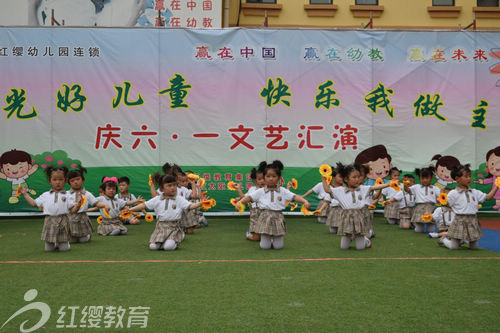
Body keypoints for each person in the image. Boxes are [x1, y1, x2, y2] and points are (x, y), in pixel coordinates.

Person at [235, 160, 310, 250]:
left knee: (279, 247)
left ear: (279, 178)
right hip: (264, 217)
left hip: (278, 217)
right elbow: (249, 198)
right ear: (264, 177)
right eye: (268, 176)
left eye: (274, 176)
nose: (271, 179)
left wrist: (305, 201)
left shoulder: (282, 191)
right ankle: (265, 239)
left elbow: (294, 197)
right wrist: (239, 203)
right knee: (264, 246)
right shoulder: (260, 191)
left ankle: (274, 240)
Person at [322, 163, 392, 250]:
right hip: (346, 216)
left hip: (359, 216)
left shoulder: (363, 188)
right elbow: (327, 190)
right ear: (346, 179)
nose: (357, 179)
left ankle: (366, 241)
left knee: (360, 247)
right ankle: (351, 237)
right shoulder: (339, 190)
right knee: (343, 247)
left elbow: (375, 187)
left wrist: (389, 184)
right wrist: (324, 178)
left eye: (358, 177)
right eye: (354, 177)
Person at [128, 174, 204, 251]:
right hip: (160, 227)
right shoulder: (158, 199)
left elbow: (190, 206)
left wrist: (201, 203)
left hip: (174, 226)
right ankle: (164, 241)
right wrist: (130, 210)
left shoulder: (179, 199)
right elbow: (144, 205)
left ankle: (176, 241)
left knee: (168, 247)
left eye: (174, 185)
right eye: (169, 185)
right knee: (153, 247)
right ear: (161, 188)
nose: (173, 188)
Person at [442, 164, 499, 250]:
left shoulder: (474, 192)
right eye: (466, 176)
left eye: (469, 176)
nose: (469, 178)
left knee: (474, 247)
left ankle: (463, 240)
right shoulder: (453, 193)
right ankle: (444, 240)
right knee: (454, 247)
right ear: (457, 178)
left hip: (472, 220)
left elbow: (487, 197)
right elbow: (447, 204)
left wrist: (497, 186)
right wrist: (442, 200)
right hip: (459, 220)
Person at [20, 166, 75, 252]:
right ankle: (54, 243)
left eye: (60, 179)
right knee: (49, 249)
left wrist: (78, 204)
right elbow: (34, 203)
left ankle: (64, 243)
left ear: (65, 181)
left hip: (63, 220)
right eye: (55, 179)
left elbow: (73, 209)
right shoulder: (45, 195)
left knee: (64, 249)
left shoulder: (68, 195)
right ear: (50, 181)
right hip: (49, 220)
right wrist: (25, 194)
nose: (58, 182)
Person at [67, 166, 108, 243]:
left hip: (82, 217)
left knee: (83, 240)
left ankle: (86, 235)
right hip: (70, 217)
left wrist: (104, 205)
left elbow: (96, 203)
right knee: (72, 241)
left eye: (78, 179)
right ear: (69, 183)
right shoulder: (66, 194)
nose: (75, 182)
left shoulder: (87, 194)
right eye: (72, 181)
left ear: (83, 180)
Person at [409, 167, 440, 233]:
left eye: (427, 178)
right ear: (419, 178)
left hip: (430, 207)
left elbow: (440, 196)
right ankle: (417, 226)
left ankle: (433, 227)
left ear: (431, 178)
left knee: (431, 228)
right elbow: (408, 190)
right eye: (422, 178)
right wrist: (406, 185)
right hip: (420, 207)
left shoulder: (435, 188)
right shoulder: (416, 187)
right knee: (418, 230)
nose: (425, 180)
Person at [318, 168, 343, 234]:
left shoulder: (345, 189)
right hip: (333, 210)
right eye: (340, 176)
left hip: (342, 210)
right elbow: (326, 201)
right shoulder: (332, 189)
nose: (342, 178)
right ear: (334, 178)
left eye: (343, 176)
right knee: (333, 231)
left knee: (343, 230)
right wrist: (320, 210)